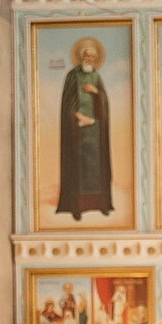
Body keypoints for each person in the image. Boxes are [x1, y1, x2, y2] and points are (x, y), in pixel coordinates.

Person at [56, 37, 113, 218]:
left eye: (92, 57)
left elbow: (104, 101)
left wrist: (96, 93)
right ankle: (77, 207)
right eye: (87, 55)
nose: (89, 59)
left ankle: (101, 204)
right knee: (79, 168)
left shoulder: (96, 76)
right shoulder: (73, 76)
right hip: (78, 131)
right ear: (81, 56)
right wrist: (77, 115)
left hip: (95, 133)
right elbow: (67, 104)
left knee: (97, 169)